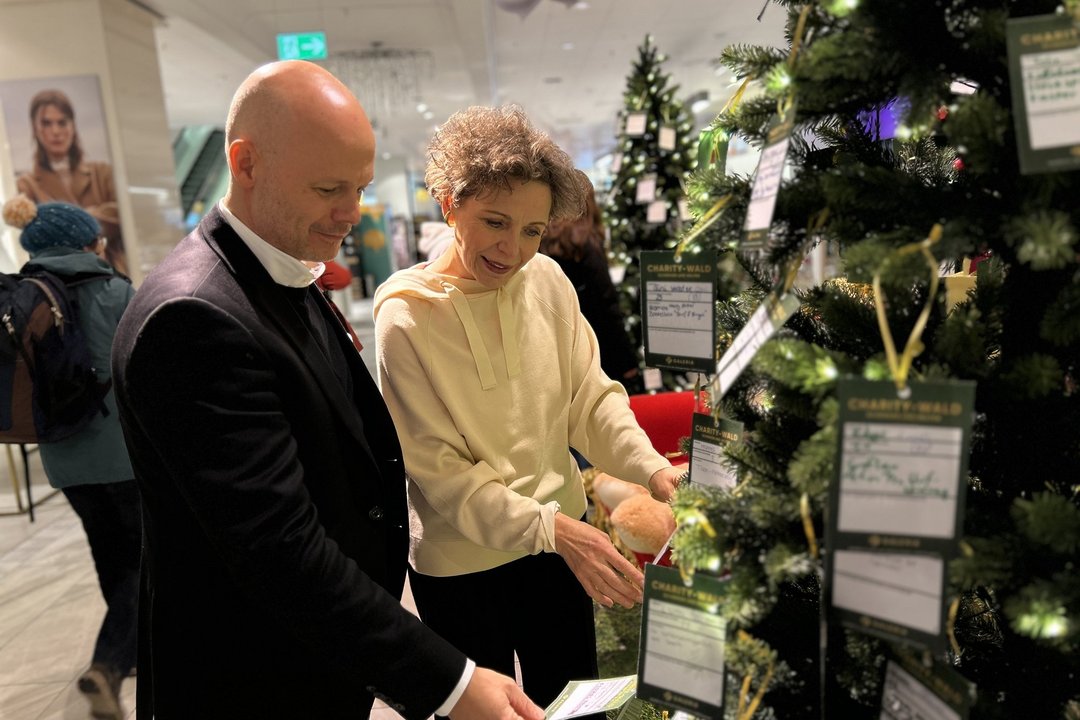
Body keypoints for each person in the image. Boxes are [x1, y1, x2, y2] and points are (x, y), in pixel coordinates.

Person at [110, 61, 541, 720]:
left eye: (361, 187)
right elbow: (279, 551)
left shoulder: (277, 265)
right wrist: (450, 682)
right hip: (247, 681)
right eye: (329, 187)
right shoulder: (193, 317)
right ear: (245, 164)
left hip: (313, 661)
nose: (351, 213)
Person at [372, 105, 683, 711]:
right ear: (448, 202)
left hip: (560, 544)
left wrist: (653, 469)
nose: (513, 249)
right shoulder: (404, 317)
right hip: (460, 561)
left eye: (533, 230)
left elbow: (589, 399)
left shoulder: (548, 281)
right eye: (495, 222)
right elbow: (442, 474)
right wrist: (555, 530)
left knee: (575, 700)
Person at [2, 195, 137, 720]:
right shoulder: (116, 291)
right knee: (141, 562)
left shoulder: (22, 296)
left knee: (109, 556)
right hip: (124, 455)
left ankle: (127, 654)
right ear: (88, 241)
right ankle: (107, 665)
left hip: (64, 458)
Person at [540, 172, 641, 392]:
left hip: (556, 352)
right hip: (595, 353)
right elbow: (607, 308)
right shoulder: (585, 246)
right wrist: (628, 364)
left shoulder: (542, 242)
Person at [16, 89, 127, 275]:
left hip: (114, 269)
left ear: (73, 125)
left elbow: (121, 212)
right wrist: (93, 217)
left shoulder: (102, 172)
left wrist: (63, 221)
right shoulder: (27, 185)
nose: (56, 131)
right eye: (46, 123)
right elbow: (36, 236)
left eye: (62, 122)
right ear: (35, 128)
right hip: (63, 282)